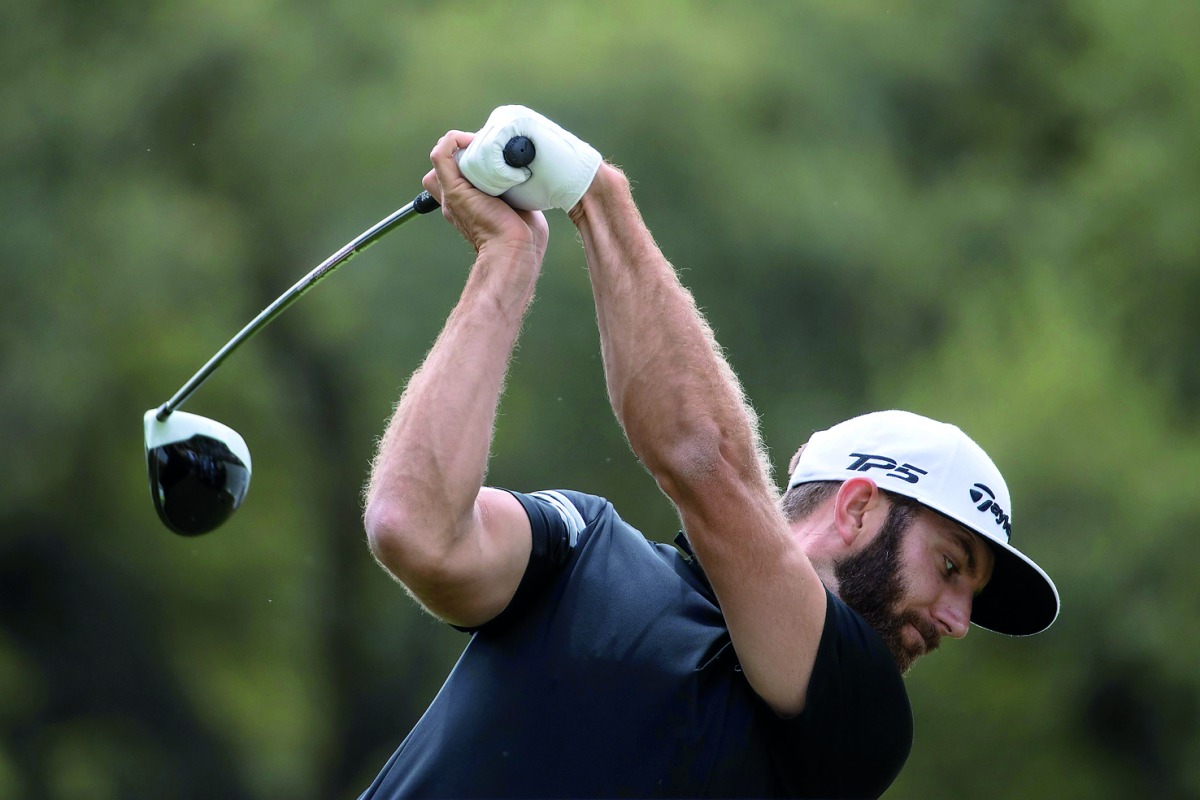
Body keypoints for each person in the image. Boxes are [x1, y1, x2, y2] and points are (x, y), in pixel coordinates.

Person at [357, 107, 1060, 799]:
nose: (958, 622)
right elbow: (414, 530)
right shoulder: (582, 544)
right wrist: (504, 263)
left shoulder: (863, 719)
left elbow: (702, 459)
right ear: (857, 509)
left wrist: (598, 195)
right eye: (949, 567)